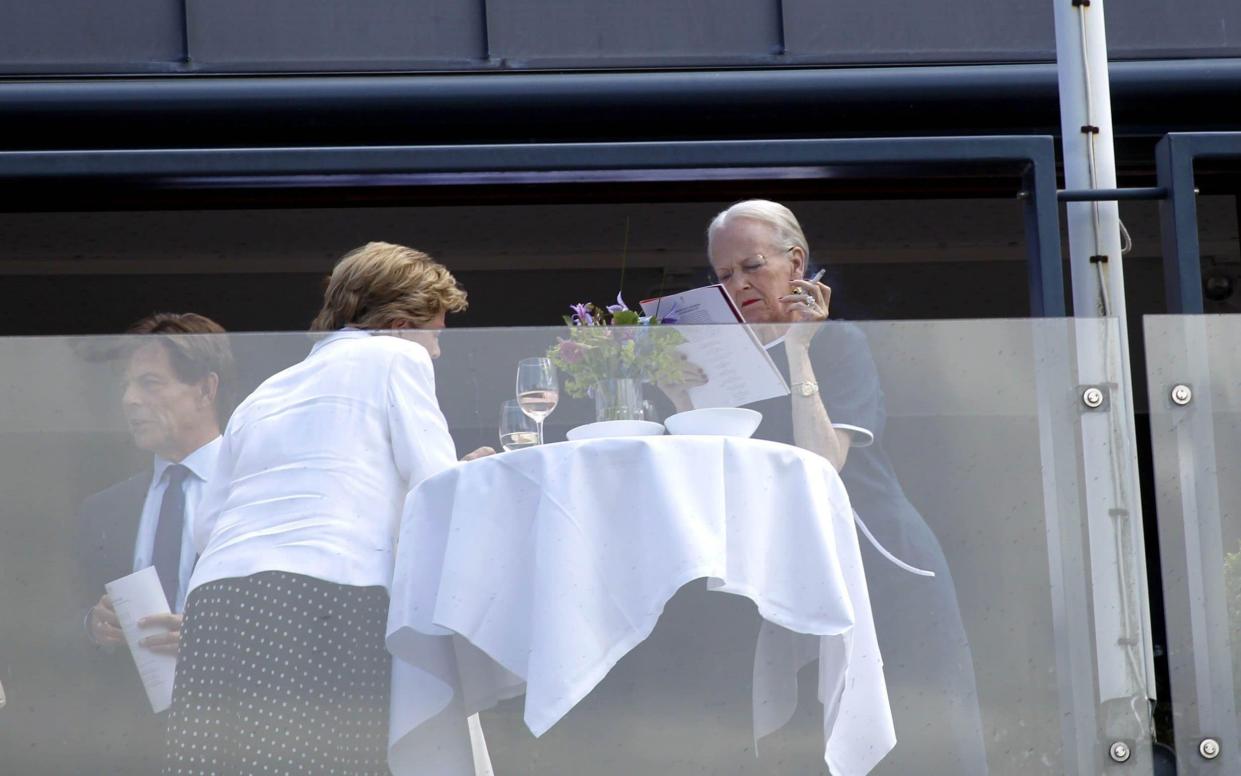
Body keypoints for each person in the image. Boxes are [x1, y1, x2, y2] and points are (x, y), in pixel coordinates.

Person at [666, 200, 988, 774]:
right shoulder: (722, 360)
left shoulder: (839, 344)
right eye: (723, 275)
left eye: (752, 266)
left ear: (796, 263)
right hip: (792, 576)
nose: (738, 284)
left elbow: (820, 461)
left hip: (877, 561)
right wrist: (678, 398)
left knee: (922, 738)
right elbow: (711, 470)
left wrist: (797, 350)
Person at [163, 242, 491, 775]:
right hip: (329, 593)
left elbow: (206, 525)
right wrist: (477, 476)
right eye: (435, 332)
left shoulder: (263, 394)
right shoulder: (396, 356)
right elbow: (435, 486)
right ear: (403, 323)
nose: (436, 350)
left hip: (219, 602)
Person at [76, 311, 235, 772]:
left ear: (206, 389)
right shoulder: (102, 509)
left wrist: (216, 638)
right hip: (127, 742)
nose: (130, 400)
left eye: (149, 383)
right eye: (126, 386)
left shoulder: (258, 492)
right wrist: (93, 624)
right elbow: (50, 612)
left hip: (237, 730)